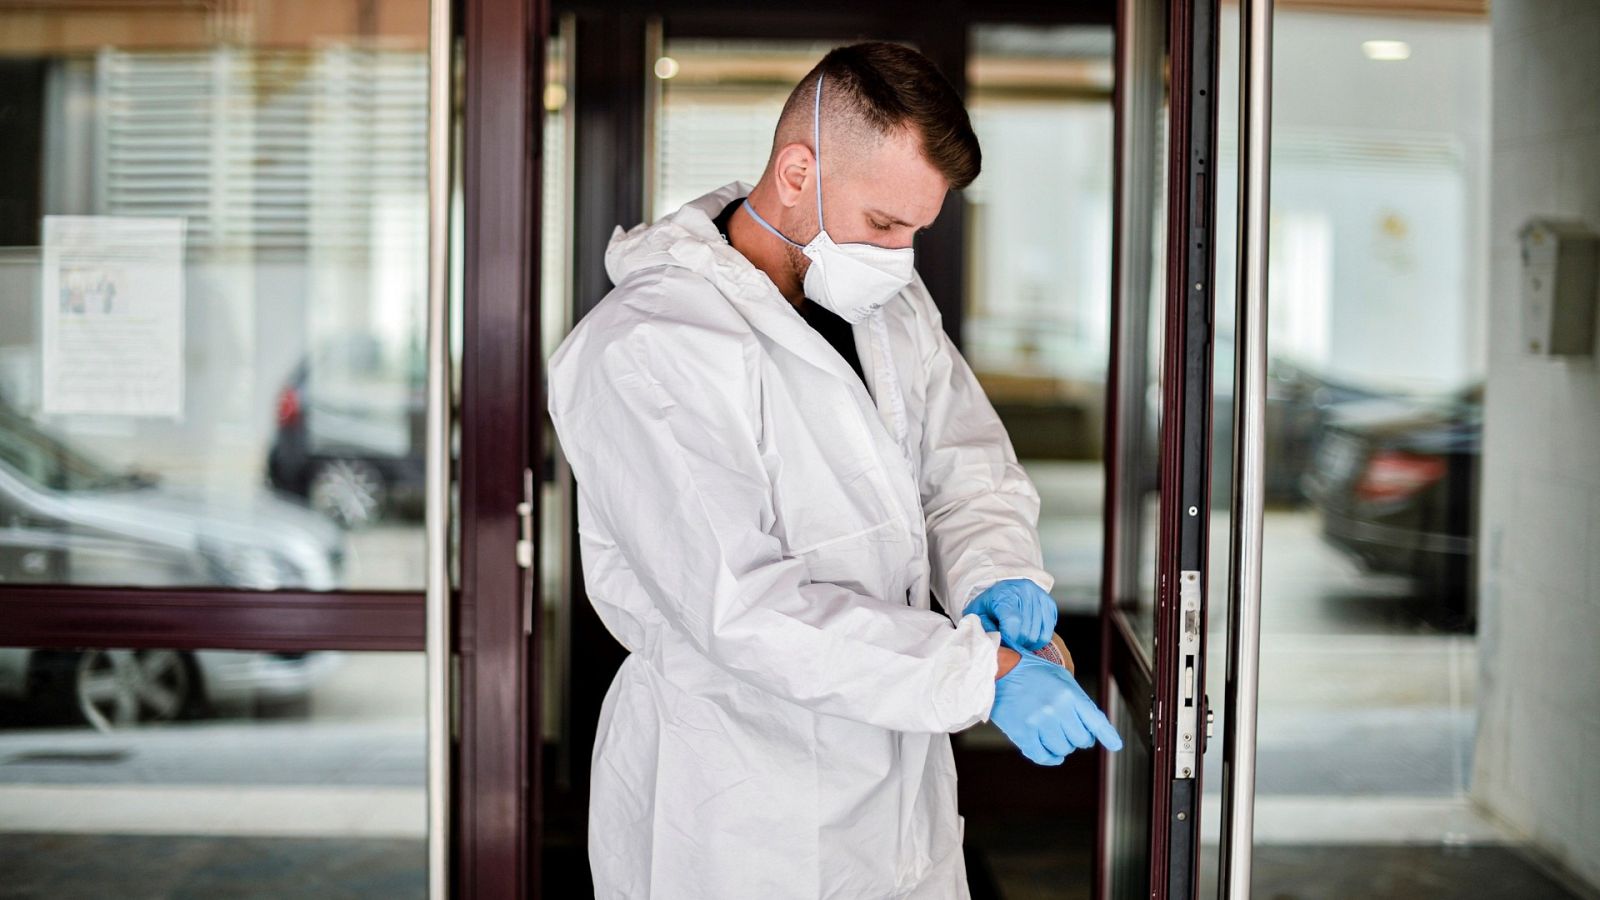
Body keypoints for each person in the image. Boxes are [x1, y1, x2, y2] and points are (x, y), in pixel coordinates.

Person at [547, 41, 1121, 900]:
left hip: (898, 780)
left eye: (917, 232)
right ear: (795, 169)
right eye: (884, 225)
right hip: (743, 799)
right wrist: (977, 673)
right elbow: (739, 606)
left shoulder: (886, 306)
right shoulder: (649, 348)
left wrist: (994, 570)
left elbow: (964, 466)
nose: (900, 256)